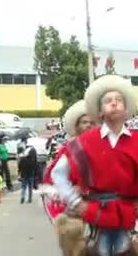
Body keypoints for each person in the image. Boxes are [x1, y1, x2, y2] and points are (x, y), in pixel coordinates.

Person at [51, 75, 138, 256]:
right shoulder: (84, 142)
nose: (114, 103)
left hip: (127, 212)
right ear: (100, 112)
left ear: (126, 109)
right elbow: (58, 174)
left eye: (119, 100)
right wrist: (75, 201)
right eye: (108, 101)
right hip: (93, 211)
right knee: (80, 248)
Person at [42, 100, 96, 256]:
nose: (88, 125)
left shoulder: (105, 148)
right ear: (77, 126)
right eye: (84, 122)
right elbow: (53, 178)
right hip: (74, 204)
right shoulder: (70, 149)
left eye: (92, 122)